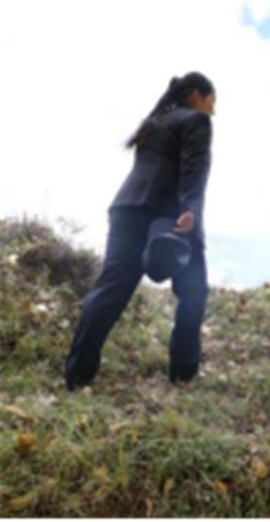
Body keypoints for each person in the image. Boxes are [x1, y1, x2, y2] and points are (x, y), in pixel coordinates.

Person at [64, 72, 216, 391]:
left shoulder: (154, 122)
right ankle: (183, 376)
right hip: (171, 215)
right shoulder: (196, 121)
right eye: (211, 101)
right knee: (193, 291)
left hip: (128, 208)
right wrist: (190, 210)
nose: (213, 109)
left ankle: (77, 376)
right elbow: (194, 169)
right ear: (196, 96)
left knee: (111, 289)